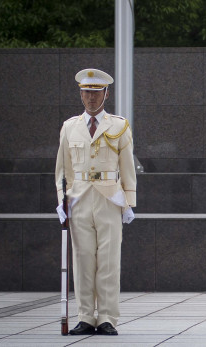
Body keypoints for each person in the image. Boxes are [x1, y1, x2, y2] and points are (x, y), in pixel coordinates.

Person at [54, 68, 136, 336]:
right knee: (83, 259)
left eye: (96, 92)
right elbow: (63, 170)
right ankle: (86, 316)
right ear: (80, 94)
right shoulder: (70, 127)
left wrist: (129, 202)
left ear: (106, 94)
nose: (91, 97)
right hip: (78, 197)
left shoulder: (119, 125)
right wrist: (61, 201)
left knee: (109, 261)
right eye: (86, 92)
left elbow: (127, 167)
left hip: (109, 198)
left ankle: (108, 317)